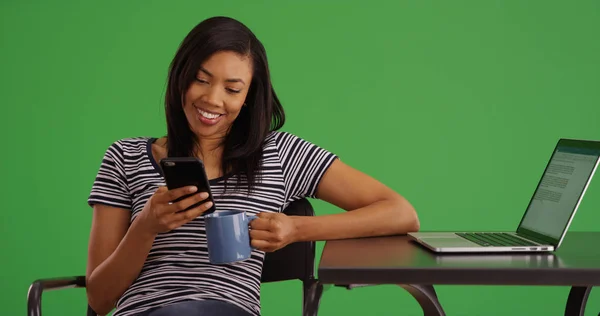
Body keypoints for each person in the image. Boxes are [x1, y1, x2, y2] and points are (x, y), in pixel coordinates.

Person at [85, 16, 420, 316]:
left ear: (248, 97)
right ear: (180, 78)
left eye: (232, 89)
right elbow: (99, 299)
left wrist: (295, 230)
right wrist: (145, 227)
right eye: (201, 80)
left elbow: (400, 213)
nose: (213, 100)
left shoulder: (280, 154)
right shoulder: (124, 156)